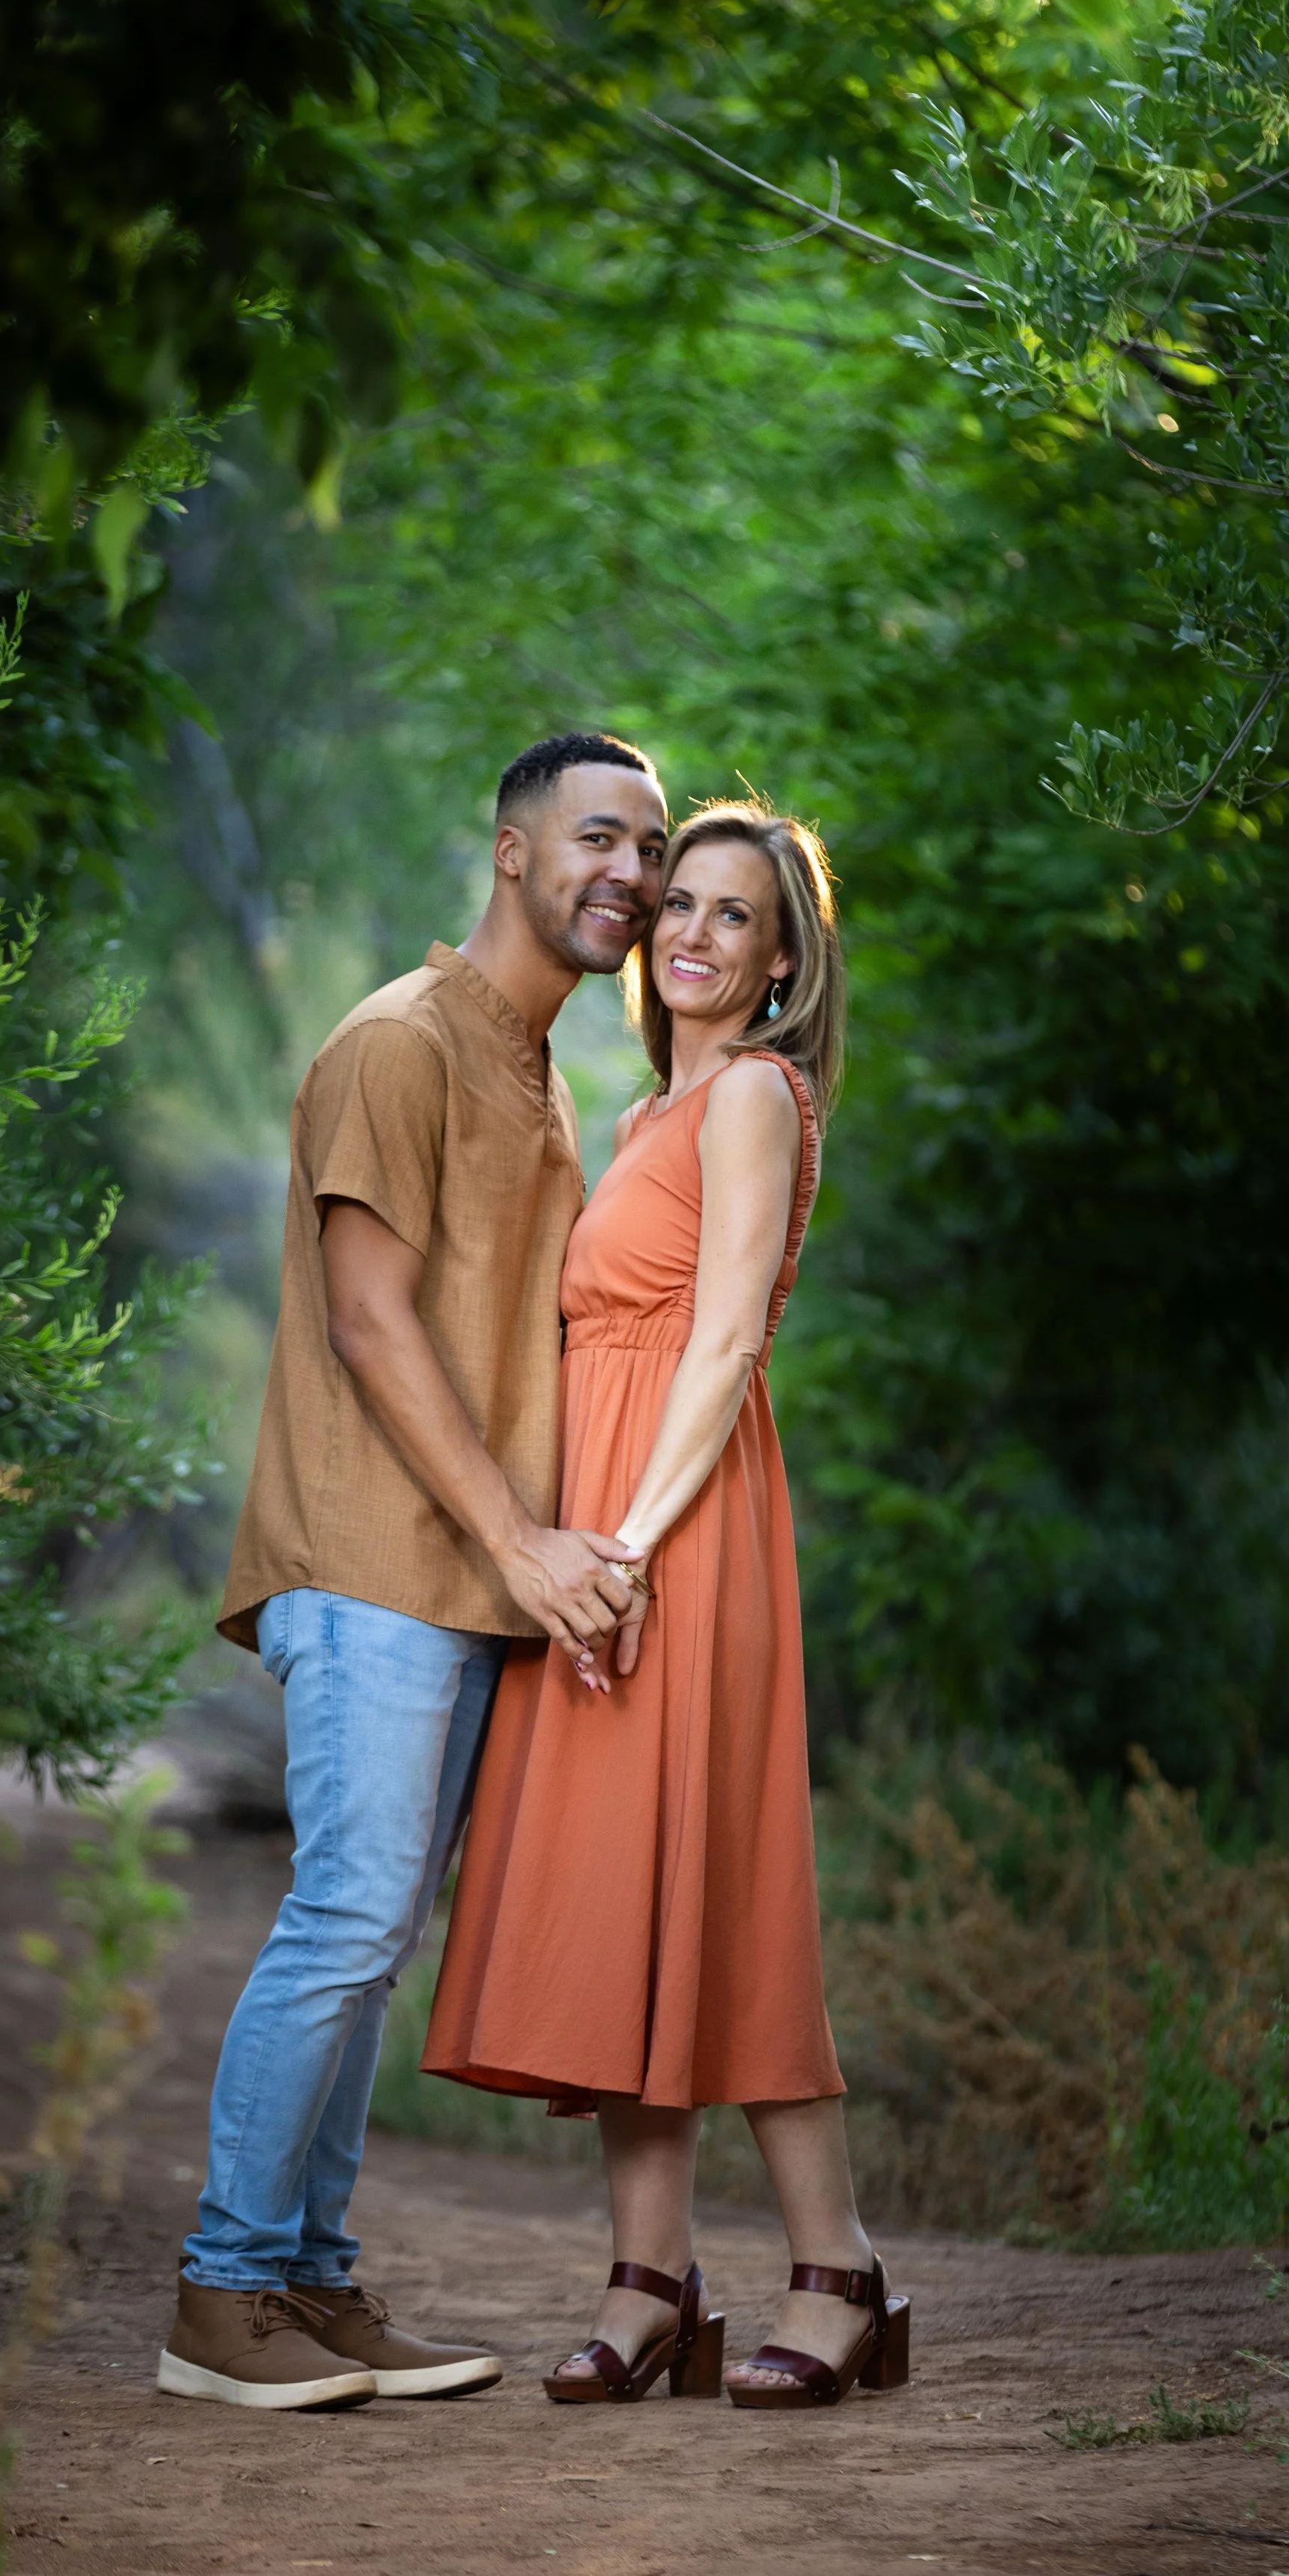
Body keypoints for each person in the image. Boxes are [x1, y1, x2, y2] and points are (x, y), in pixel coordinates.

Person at [158, 732, 671, 2412]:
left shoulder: (538, 1071)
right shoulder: (398, 1041)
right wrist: (518, 1538)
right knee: (345, 1915)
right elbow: (371, 1321)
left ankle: (303, 2281)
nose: (630, 872)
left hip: (459, 1581)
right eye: (597, 835)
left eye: (649, 848)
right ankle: (222, 2290)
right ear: (511, 848)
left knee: (372, 1934)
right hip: (372, 1560)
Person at [422, 800, 908, 2409]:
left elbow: (721, 1351)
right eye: (676, 903)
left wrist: (624, 1542)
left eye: (732, 915)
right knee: (622, 1903)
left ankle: (836, 2271)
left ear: (780, 959)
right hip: (601, 1533)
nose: (689, 931)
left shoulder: (755, 1097)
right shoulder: (640, 1114)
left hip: (680, 1530)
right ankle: (650, 2281)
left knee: (728, 1892)